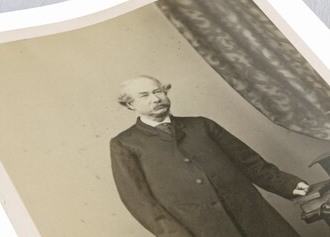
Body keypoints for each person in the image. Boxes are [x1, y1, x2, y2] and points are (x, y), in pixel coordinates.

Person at [110, 75, 310, 237]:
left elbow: (249, 162)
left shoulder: (201, 125)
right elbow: (139, 201)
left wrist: (287, 184)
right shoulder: (125, 144)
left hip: (253, 217)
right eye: (144, 96)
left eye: (158, 91)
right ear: (130, 105)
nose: (156, 99)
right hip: (200, 229)